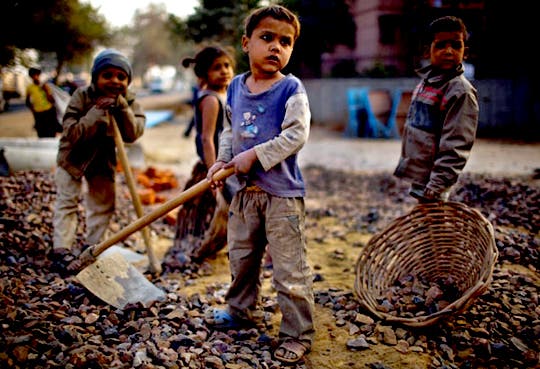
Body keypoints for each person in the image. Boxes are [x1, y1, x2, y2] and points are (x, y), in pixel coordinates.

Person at [205, 5, 314, 365]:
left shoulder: (291, 88)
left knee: (289, 268)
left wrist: (255, 155)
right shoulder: (235, 87)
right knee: (242, 257)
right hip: (244, 195)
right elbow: (229, 130)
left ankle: (298, 332)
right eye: (267, 38)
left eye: (286, 42)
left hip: (281, 195)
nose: (276, 48)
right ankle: (240, 310)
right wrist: (223, 161)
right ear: (246, 43)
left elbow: (296, 134)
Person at [51, 49, 145, 262]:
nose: (115, 81)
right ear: (95, 77)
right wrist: (95, 113)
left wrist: (122, 108)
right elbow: (72, 133)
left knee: (104, 204)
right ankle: (61, 250)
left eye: (121, 77)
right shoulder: (82, 96)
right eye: (107, 75)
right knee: (67, 201)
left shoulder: (128, 100)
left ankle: (93, 248)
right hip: (72, 158)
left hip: (102, 160)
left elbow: (133, 134)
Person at [394, 16, 479, 203]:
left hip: (435, 181)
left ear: (465, 52)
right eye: (441, 45)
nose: (449, 51)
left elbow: (456, 144)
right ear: (427, 50)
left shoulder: (459, 92)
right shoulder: (428, 83)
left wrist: (437, 184)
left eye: (456, 45)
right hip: (422, 175)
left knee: (436, 225)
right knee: (426, 225)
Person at [173, 45, 236, 261]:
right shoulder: (210, 99)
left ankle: (217, 243)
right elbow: (206, 138)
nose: (224, 71)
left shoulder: (227, 94)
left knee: (221, 207)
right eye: (217, 68)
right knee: (207, 207)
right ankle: (195, 247)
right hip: (214, 164)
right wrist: (213, 172)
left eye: (227, 65)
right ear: (204, 74)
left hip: (228, 164)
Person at [25, 67, 62, 138]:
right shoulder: (30, 88)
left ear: (39, 75)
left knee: (51, 133)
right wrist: (33, 110)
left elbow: (52, 100)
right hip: (38, 114)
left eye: (37, 75)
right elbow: (27, 102)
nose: (35, 77)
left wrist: (46, 91)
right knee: (41, 134)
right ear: (31, 77)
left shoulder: (45, 86)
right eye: (33, 76)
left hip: (49, 111)